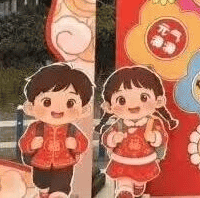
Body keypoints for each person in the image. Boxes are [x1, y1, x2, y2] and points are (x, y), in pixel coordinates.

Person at [96, 66, 178, 198]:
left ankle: (139, 186)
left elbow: (162, 137)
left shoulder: (153, 122)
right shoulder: (119, 124)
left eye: (144, 97)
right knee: (123, 179)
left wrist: (154, 137)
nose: (133, 105)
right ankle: (124, 190)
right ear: (109, 107)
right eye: (122, 100)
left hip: (144, 160)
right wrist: (113, 138)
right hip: (122, 160)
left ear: (158, 101)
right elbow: (106, 138)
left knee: (141, 179)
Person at [18, 63, 93, 198]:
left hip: (65, 164)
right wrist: (31, 144)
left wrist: (76, 144)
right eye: (47, 102)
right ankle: (43, 192)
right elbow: (23, 143)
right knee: (41, 183)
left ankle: (58, 194)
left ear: (83, 108)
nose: (58, 109)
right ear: (32, 105)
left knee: (61, 188)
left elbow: (84, 143)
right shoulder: (36, 127)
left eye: (70, 103)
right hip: (40, 163)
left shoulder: (72, 129)